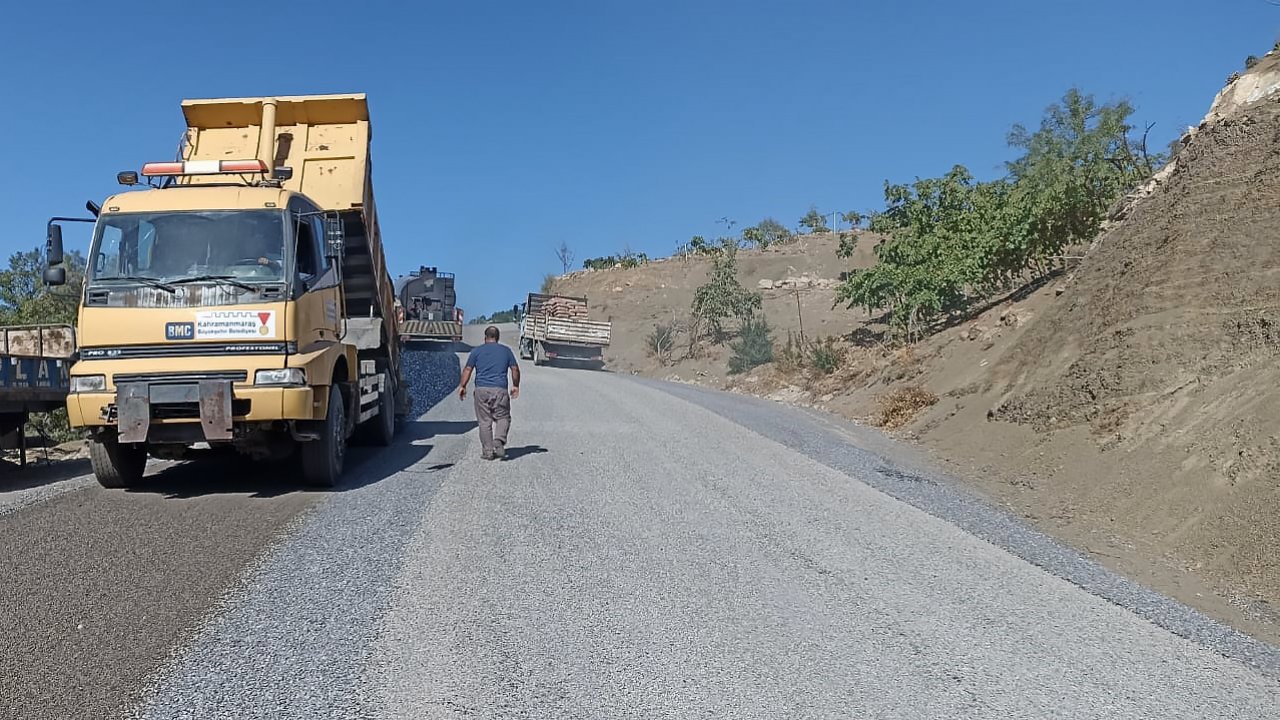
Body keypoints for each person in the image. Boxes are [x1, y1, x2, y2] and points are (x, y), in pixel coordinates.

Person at [459, 325, 521, 460]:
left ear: (485, 337)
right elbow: (515, 369)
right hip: (500, 390)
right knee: (503, 417)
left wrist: (462, 386)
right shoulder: (506, 351)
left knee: (484, 421)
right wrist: (515, 385)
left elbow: (467, 369)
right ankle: (498, 440)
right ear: (498, 338)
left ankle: (488, 452)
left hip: (481, 390)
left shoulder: (476, 351)